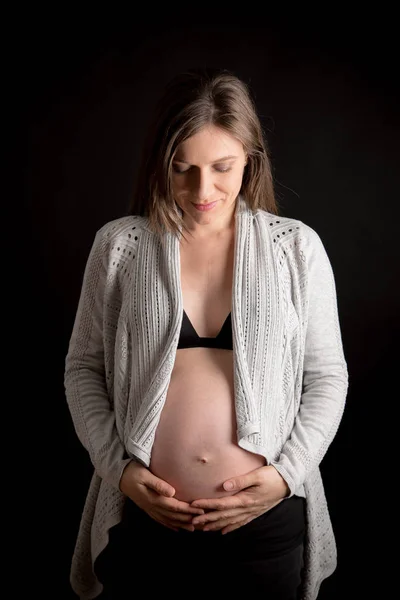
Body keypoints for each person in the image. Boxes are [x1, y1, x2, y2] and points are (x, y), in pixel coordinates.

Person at [64, 67, 349, 600]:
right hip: (145, 526)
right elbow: (83, 368)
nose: (202, 190)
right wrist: (118, 470)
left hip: (264, 527)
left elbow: (327, 376)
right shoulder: (121, 246)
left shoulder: (295, 249)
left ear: (250, 160)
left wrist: (286, 475)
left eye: (222, 168)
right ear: (159, 163)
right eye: (182, 169)